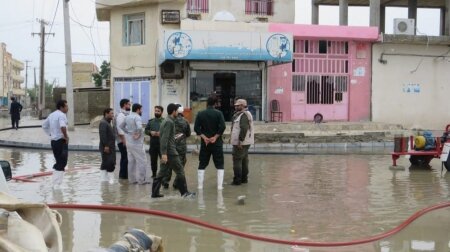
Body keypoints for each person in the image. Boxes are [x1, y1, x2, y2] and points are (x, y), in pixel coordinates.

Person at [151, 103, 195, 198]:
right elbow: (164, 139)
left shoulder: (167, 120)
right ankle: (184, 193)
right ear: (174, 111)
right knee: (180, 171)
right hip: (170, 152)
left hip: (168, 151)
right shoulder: (169, 122)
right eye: (176, 111)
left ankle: (154, 193)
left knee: (162, 172)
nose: (177, 112)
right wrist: (164, 154)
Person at [194, 95, 226, 190]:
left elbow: (196, 128)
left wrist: (204, 138)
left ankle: (200, 186)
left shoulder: (200, 113)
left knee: (202, 164)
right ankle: (219, 187)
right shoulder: (219, 113)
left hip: (205, 144)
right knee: (219, 164)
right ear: (215, 103)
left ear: (207, 103)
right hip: (217, 143)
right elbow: (223, 127)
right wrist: (215, 137)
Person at [42, 100, 69, 190]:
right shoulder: (62, 115)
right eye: (66, 106)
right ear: (61, 107)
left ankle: (57, 184)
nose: (67, 108)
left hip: (54, 141)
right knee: (62, 162)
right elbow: (62, 126)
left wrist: (50, 134)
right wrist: (66, 136)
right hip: (61, 141)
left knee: (60, 161)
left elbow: (44, 126)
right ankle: (56, 184)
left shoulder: (52, 115)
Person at [162, 104, 191, 189]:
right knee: (180, 166)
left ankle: (165, 182)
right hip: (181, 148)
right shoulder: (185, 121)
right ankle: (176, 183)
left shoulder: (168, 120)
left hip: (170, 147)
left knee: (168, 165)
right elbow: (188, 134)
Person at [120, 103, 149, 185]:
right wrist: (137, 134)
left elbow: (121, 126)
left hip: (129, 142)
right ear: (138, 110)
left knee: (131, 161)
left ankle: (132, 180)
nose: (142, 111)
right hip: (137, 143)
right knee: (142, 161)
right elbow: (139, 127)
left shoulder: (127, 117)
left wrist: (128, 132)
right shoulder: (137, 117)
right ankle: (141, 180)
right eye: (141, 109)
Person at [230, 99, 254, 185]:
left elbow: (244, 128)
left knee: (237, 160)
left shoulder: (244, 115)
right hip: (245, 142)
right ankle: (244, 179)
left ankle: (237, 181)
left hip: (241, 143)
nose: (236, 106)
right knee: (244, 160)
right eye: (236, 105)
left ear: (243, 106)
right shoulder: (242, 114)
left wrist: (240, 141)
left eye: (238, 105)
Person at [144, 106, 164, 178]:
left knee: (163, 160)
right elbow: (146, 130)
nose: (156, 112)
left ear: (161, 112)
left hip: (162, 144)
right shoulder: (151, 121)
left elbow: (169, 131)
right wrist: (150, 132)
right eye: (155, 111)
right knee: (153, 160)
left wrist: (161, 133)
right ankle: (154, 174)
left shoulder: (164, 121)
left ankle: (162, 174)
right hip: (153, 143)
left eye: (158, 111)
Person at [114, 99, 131, 180]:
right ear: (125, 105)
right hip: (122, 141)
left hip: (125, 140)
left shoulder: (125, 114)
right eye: (129, 104)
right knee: (125, 158)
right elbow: (120, 131)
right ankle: (123, 176)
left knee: (125, 158)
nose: (130, 106)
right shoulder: (120, 115)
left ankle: (123, 176)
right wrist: (124, 142)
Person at [99, 108, 116, 184]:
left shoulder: (108, 122)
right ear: (106, 114)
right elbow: (103, 135)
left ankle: (105, 181)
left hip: (109, 147)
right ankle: (110, 181)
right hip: (107, 147)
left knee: (106, 163)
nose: (113, 115)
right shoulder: (103, 123)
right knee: (110, 163)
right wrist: (106, 146)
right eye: (111, 113)